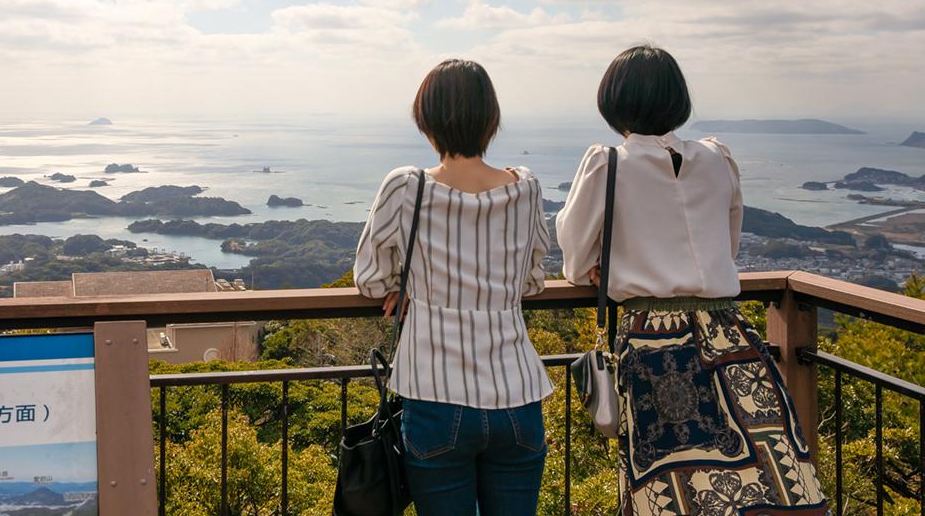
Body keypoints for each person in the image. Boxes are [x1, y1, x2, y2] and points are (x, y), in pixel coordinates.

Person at [557, 45, 828, 516]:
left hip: (653, 342)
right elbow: (727, 245)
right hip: (729, 333)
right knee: (769, 474)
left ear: (614, 102)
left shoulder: (608, 163)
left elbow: (576, 258)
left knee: (668, 488)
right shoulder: (717, 157)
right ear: (677, 99)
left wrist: (609, 266)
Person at [354, 58, 551, 516]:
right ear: (491, 121)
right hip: (517, 393)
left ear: (427, 122)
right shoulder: (527, 188)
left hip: (434, 396)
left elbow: (368, 278)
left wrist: (404, 284)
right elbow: (534, 279)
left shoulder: (407, 187)